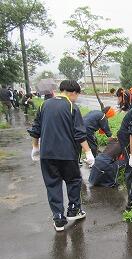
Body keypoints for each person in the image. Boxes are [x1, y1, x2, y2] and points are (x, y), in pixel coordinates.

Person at [27, 80, 95, 232]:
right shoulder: (72, 107)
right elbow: (80, 134)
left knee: (52, 184)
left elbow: (35, 129)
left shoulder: (44, 105)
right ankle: (73, 210)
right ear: (73, 92)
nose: (76, 98)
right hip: (67, 154)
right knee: (74, 180)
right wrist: (88, 152)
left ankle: (58, 218)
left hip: (47, 155)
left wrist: (35, 148)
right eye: (77, 95)